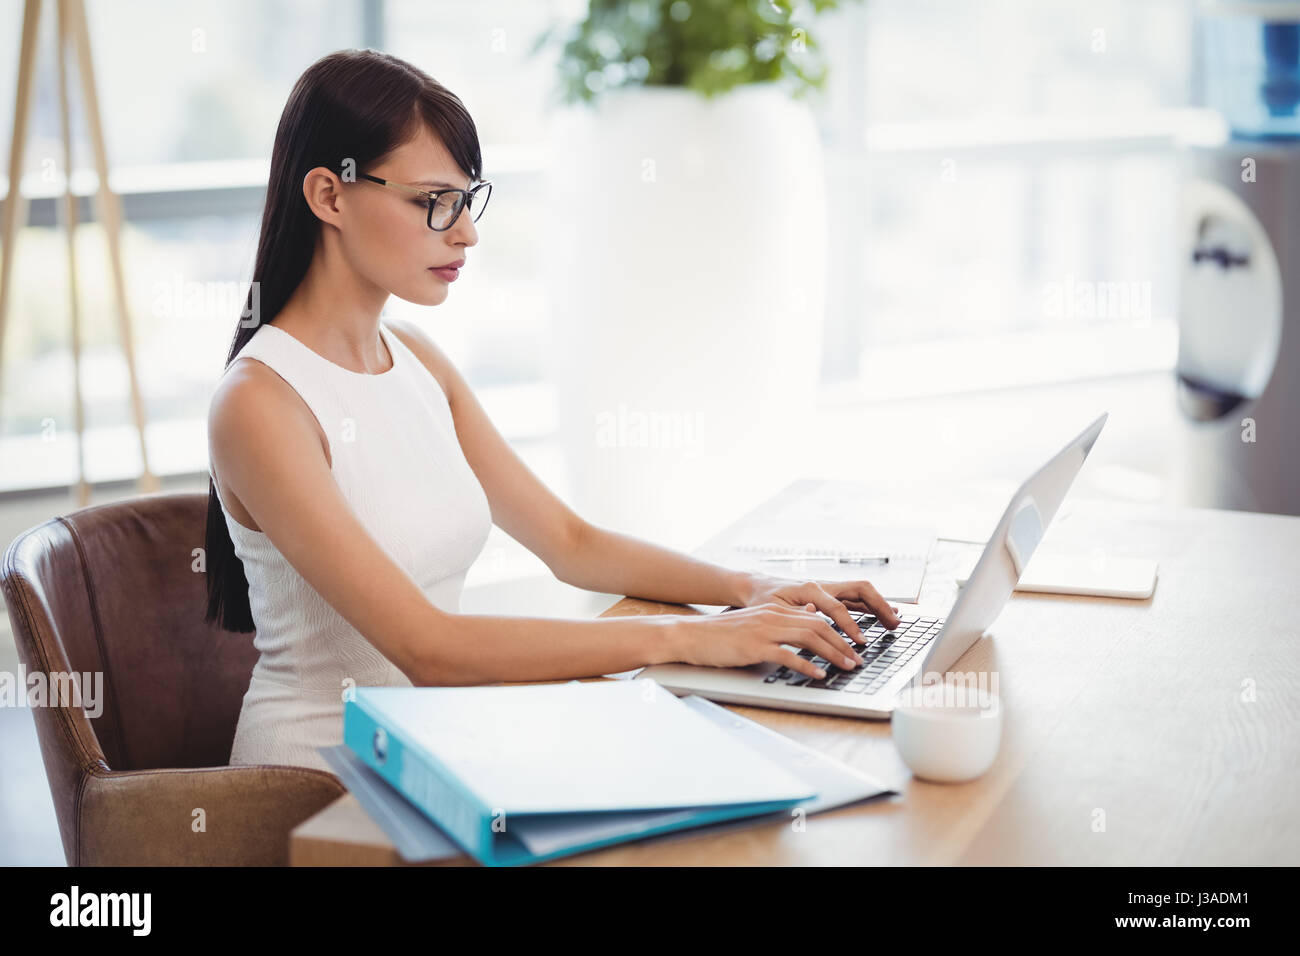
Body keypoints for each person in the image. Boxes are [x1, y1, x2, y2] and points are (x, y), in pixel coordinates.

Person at [204, 49, 899, 774]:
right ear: (329, 195)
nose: (466, 232)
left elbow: (571, 543)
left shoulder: (415, 358)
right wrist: (693, 637)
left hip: (431, 751)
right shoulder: (260, 403)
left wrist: (749, 590)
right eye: (433, 201)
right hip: (318, 782)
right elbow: (429, 648)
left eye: (468, 200)